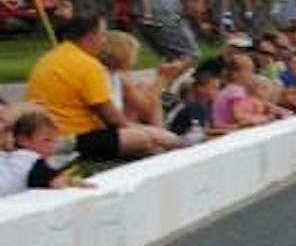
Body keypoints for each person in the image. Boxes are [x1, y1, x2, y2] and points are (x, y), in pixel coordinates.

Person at [24, 14, 184, 162]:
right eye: (102, 35)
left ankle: (180, 150)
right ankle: (185, 152)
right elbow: (112, 117)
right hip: (71, 137)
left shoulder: (52, 56)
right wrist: (141, 132)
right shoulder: (87, 64)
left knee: (151, 136)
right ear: (90, 36)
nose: (104, 41)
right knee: (143, 138)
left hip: (50, 135)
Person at [0, 105, 87, 195]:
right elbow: (56, 182)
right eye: (47, 140)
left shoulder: (15, 158)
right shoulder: (29, 159)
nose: (52, 146)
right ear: (23, 140)